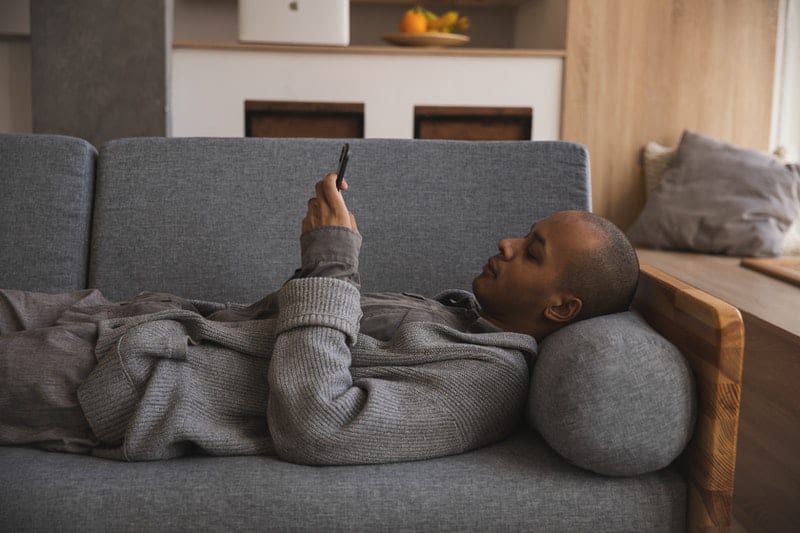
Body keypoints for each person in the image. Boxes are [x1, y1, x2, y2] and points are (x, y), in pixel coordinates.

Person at [0, 174, 639, 465]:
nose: (505, 245)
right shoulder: (460, 318)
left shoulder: (486, 384)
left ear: (561, 307)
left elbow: (319, 427)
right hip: (122, 319)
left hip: (127, 376)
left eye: (531, 252)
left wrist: (332, 265)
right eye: (521, 236)